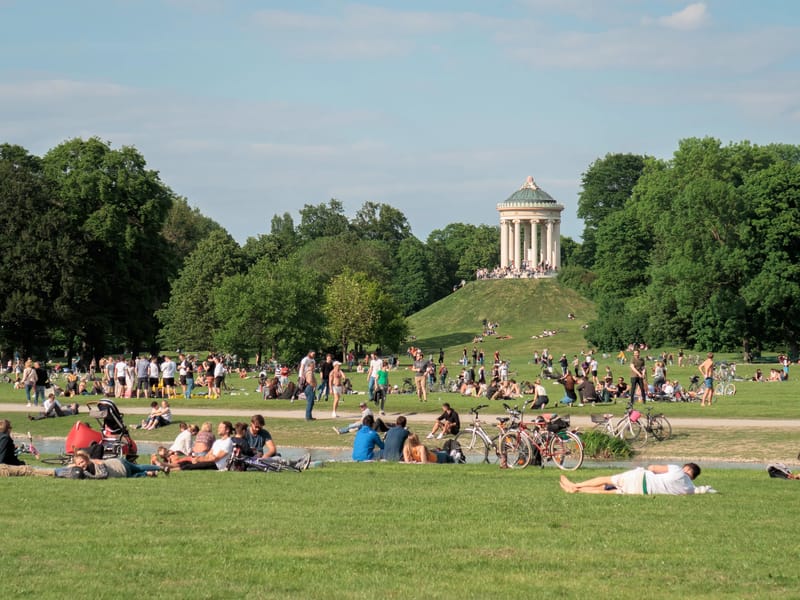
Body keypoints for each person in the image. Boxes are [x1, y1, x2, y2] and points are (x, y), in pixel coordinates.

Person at [559, 463, 701, 495]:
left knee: (606, 480)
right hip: (643, 491)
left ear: (687, 469)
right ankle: (577, 490)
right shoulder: (689, 489)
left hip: (641, 478)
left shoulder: (677, 470)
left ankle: (575, 484)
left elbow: (652, 468)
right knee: (608, 491)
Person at [68, 449, 167, 478]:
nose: (81, 465)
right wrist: (75, 465)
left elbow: (100, 465)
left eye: (82, 462)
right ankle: (154, 471)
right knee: (136, 471)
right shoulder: (86, 465)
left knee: (138, 469)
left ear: (87, 460)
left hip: (120, 466)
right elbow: (70, 466)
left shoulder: (94, 463)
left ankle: (158, 468)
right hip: (119, 464)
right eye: (79, 464)